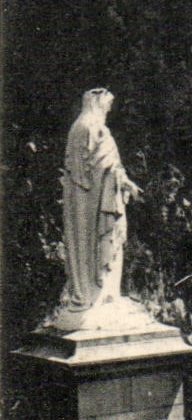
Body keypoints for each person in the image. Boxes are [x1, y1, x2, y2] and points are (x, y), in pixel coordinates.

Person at [45, 88, 146, 331]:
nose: (109, 109)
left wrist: (125, 183)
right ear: (97, 102)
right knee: (95, 245)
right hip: (92, 204)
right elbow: (93, 170)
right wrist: (117, 179)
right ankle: (96, 298)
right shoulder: (87, 128)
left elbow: (110, 166)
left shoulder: (92, 127)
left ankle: (107, 297)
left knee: (109, 245)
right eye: (107, 104)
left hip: (102, 200)